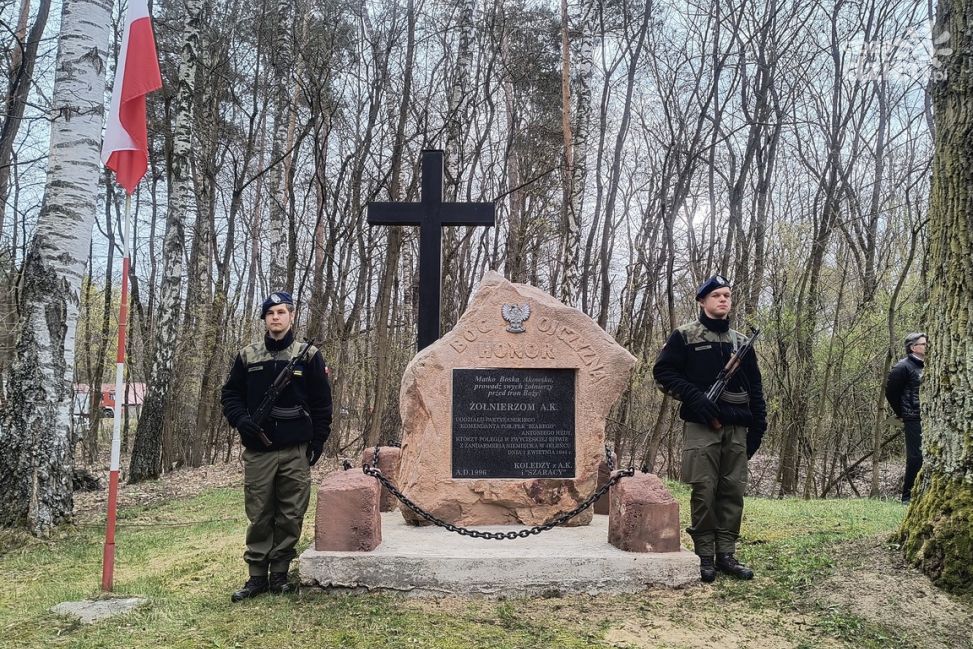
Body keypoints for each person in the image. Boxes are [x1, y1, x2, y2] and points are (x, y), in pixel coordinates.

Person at [652, 275, 767, 583]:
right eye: (716, 295)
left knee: (732, 491)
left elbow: (755, 388)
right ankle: (705, 554)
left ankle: (726, 553)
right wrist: (695, 397)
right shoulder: (685, 336)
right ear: (702, 301)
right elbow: (663, 372)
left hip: (737, 427)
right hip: (702, 426)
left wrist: (758, 426)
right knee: (704, 491)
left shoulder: (741, 342)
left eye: (727, 295)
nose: (723, 300)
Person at [221, 291, 332, 602]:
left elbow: (322, 403)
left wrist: (318, 440)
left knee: (291, 513)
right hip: (259, 451)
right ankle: (256, 576)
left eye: (282, 312)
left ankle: (280, 574)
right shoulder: (248, 355)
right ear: (264, 319)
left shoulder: (307, 355)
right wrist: (242, 420)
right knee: (259, 514)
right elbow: (230, 395)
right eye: (270, 313)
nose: (276, 317)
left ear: (291, 316)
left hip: (296, 449)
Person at [885, 332, 926, 504]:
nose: (927, 346)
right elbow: (891, 392)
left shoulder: (928, 365)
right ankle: (907, 497)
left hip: (928, 416)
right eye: (923, 344)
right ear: (912, 347)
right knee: (916, 457)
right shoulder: (902, 367)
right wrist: (902, 413)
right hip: (913, 417)